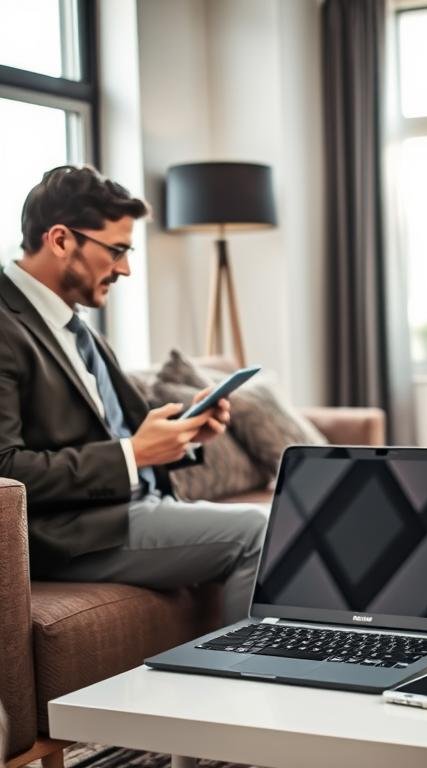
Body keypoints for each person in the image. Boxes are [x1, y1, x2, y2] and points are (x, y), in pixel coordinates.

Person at [0, 165, 267, 624]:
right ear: (61, 240)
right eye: (117, 250)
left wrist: (186, 429)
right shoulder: (6, 325)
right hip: (71, 534)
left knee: (288, 517)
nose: (124, 268)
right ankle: (244, 680)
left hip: (130, 509)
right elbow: (5, 469)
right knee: (260, 531)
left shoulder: (75, 325)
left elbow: (125, 426)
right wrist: (131, 455)